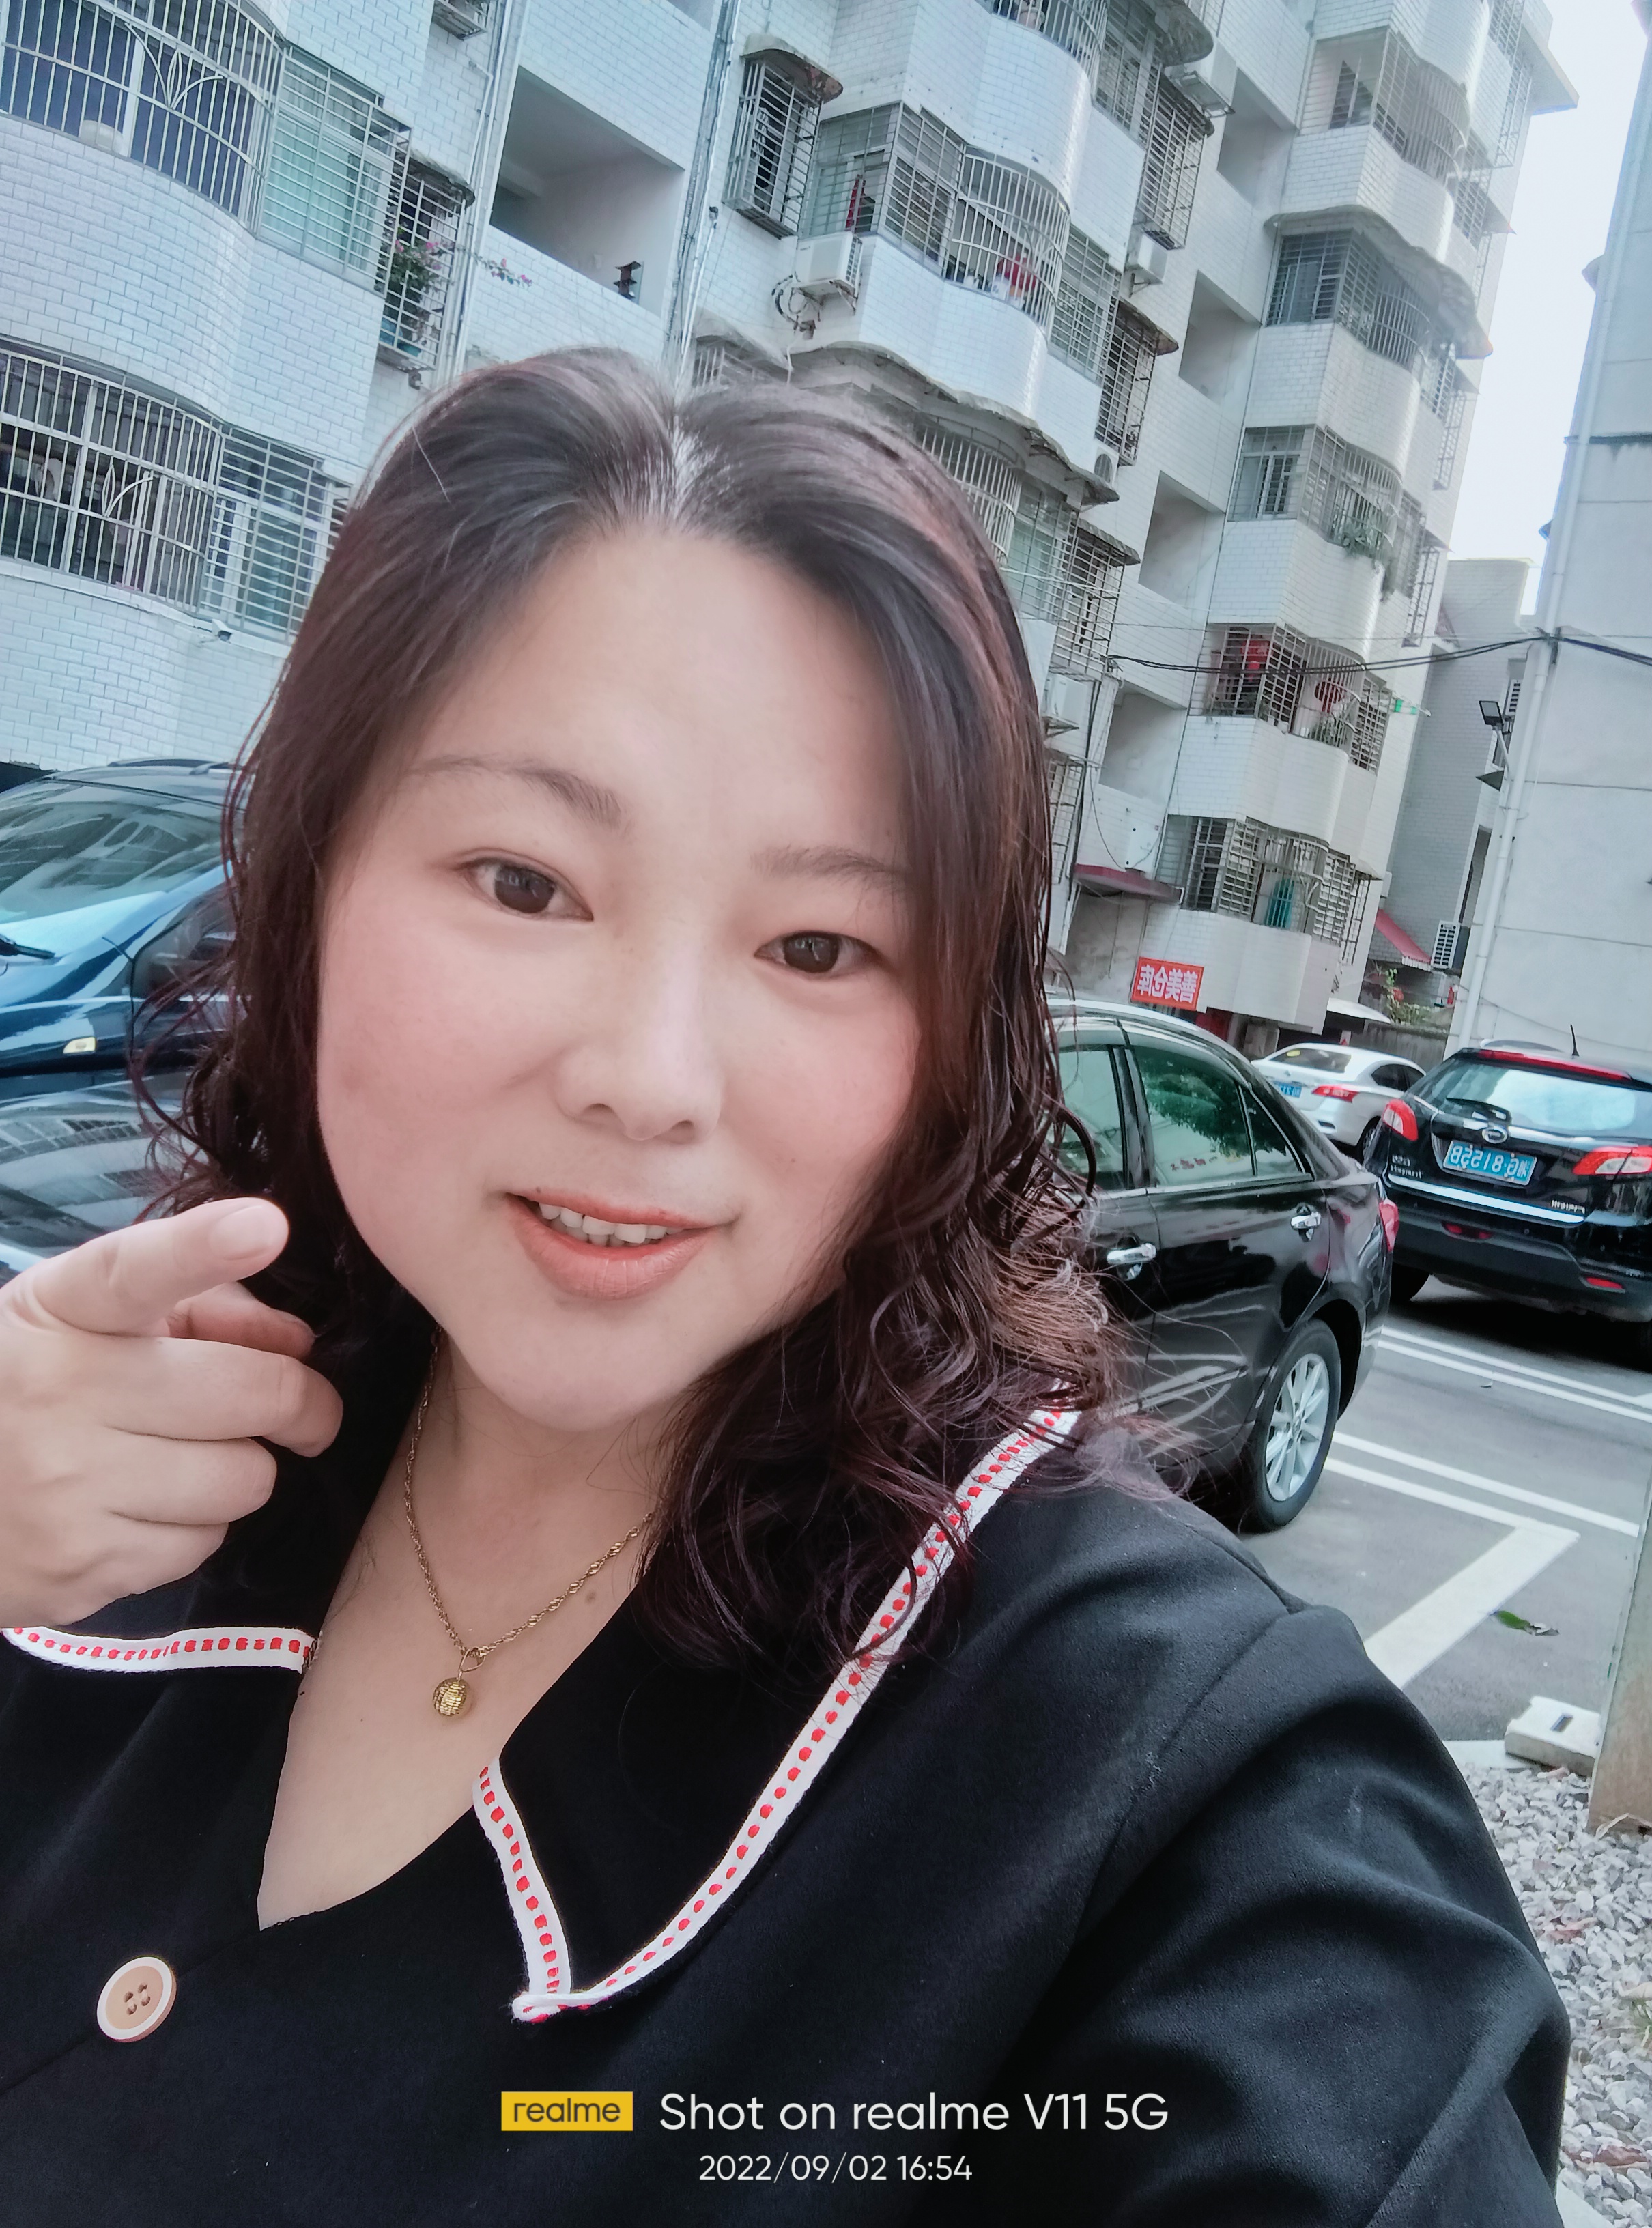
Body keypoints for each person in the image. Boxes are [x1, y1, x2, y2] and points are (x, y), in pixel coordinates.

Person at [0, 353, 1565, 2223]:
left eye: (820, 945)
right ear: (313, 877)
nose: (651, 1079)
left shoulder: (1158, 1781)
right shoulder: (109, 1450)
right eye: (525, 881)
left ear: (949, 1043)